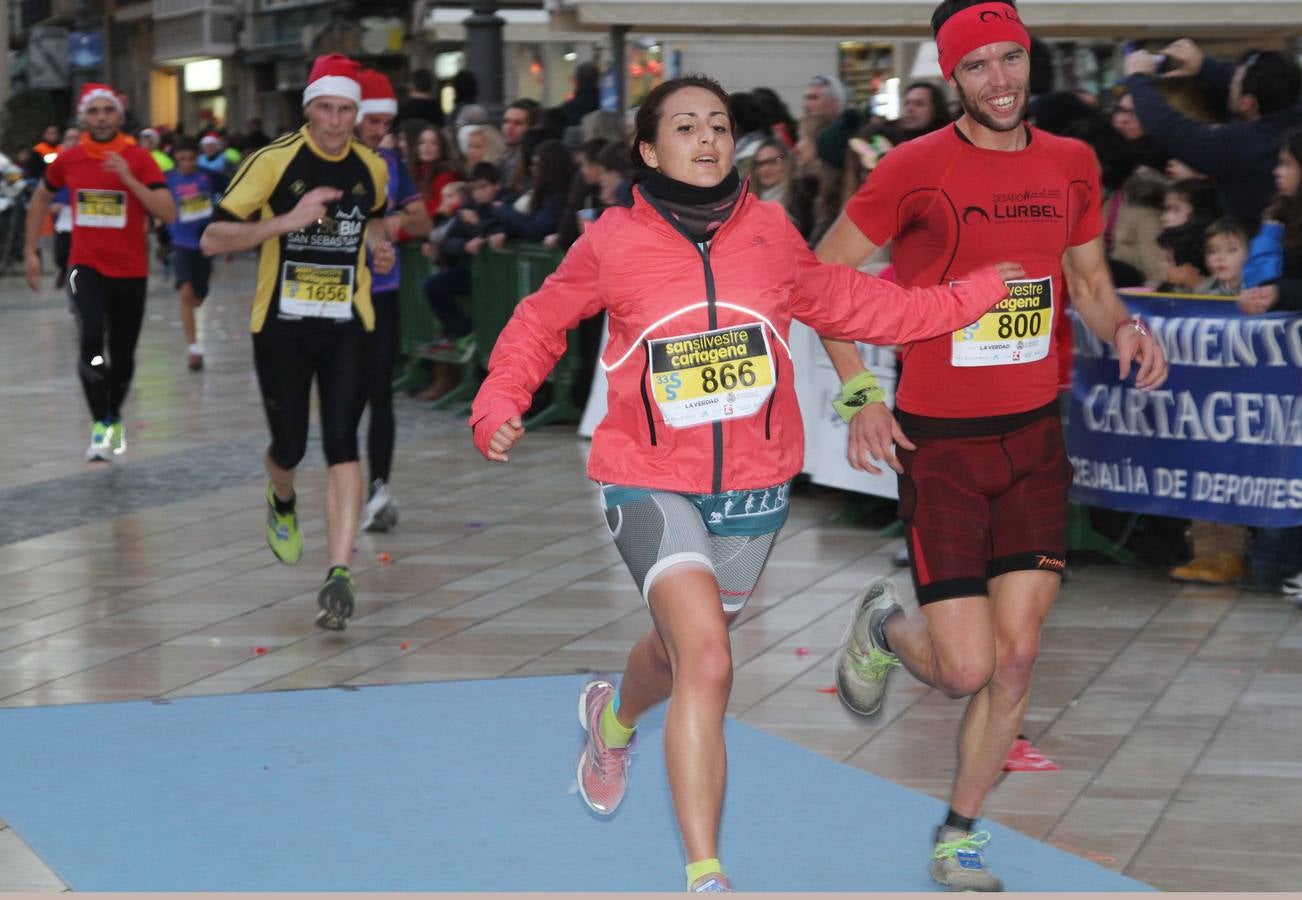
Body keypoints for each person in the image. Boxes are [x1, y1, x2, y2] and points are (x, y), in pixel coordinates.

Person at [468, 74, 1024, 894]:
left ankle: (611, 719)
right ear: (649, 151)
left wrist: (975, 296)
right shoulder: (613, 241)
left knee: (677, 653)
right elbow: (540, 321)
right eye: (685, 127)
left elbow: (861, 305)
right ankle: (707, 875)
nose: (706, 140)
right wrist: (499, 400)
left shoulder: (771, 235)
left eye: (720, 126)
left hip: (754, 491)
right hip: (649, 480)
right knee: (710, 659)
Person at [815, 2, 1168, 889]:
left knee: (1016, 657)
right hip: (943, 445)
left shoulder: (1072, 162)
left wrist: (1120, 325)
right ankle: (886, 630)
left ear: (1028, 61)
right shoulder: (915, 168)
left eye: (1012, 59)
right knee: (965, 666)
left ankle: (960, 832)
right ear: (953, 78)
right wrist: (861, 391)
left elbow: (1086, 279)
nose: (1001, 80)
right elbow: (820, 280)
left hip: (1034, 437)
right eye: (979, 67)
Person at [199, 54, 392, 631]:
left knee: (342, 441)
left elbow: (375, 220)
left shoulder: (371, 167)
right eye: (325, 109)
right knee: (290, 446)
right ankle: (281, 496)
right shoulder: (273, 162)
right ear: (308, 109)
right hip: (280, 323)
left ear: (357, 113)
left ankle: (338, 571)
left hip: (346, 321)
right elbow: (211, 237)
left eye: (346, 110)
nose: (336, 121)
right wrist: (285, 222)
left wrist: (379, 248)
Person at [22, 83, 176, 461]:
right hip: (84, 267)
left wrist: (128, 178)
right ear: (83, 118)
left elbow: (168, 212)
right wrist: (30, 252)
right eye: (94, 112)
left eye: (108, 110)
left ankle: (113, 411)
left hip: (130, 271)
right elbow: (41, 196)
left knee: (122, 356)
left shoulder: (139, 158)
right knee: (92, 341)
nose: (101, 117)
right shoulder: (69, 159)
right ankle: (98, 425)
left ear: (119, 116)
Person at [355, 68, 433, 532]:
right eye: (372, 120)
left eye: (386, 122)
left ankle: (379, 488)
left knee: (380, 392)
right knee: (344, 397)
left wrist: (391, 225)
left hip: (381, 293)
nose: (380, 131)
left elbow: (421, 221)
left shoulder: (391, 163)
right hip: (333, 297)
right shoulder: (327, 162)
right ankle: (344, 484)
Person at [1123, 41, 1302, 223]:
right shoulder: (1293, 123)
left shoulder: (1238, 145)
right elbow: (1273, 84)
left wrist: (1138, 79)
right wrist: (1204, 66)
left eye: (1234, 83)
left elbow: (1169, 128)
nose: (1229, 82)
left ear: (1247, 103)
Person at [164, 137, 215, 371]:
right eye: (181, 159)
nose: (186, 163)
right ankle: (193, 349)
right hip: (180, 243)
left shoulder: (209, 176)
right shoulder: (167, 179)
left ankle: (197, 302)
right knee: (185, 292)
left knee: (199, 296)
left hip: (205, 244)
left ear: (198, 157)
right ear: (175, 159)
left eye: (191, 159)